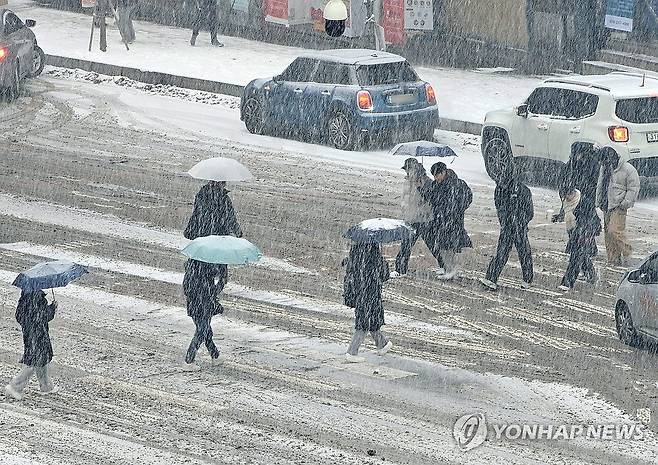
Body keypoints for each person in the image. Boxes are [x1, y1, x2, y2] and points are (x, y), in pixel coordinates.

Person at [479, 167, 534, 291]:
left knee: (524, 253)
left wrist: (520, 222)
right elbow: (499, 207)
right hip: (507, 227)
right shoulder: (499, 189)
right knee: (502, 252)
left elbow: (529, 212)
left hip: (519, 227)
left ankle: (527, 279)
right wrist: (505, 221)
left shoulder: (523, 190)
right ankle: (491, 278)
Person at [418, 162, 473, 280]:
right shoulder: (437, 184)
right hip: (440, 220)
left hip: (453, 220)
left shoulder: (457, 184)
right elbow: (431, 196)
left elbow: (468, 197)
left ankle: (452, 270)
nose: (436, 178)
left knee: (449, 246)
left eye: (437, 175)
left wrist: (458, 209)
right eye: (434, 176)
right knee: (444, 245)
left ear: (444, 172)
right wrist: (420, 189)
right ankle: (450, 269)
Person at [392, 158, 443, 277]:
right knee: (406, 245)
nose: (407, 173)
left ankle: (445, 266)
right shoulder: (407, 182)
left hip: (424, 219)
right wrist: (404, 209)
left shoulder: (426, 181)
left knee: (432, 244)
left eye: (409, 170)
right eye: (406, 170)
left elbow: (432, 199)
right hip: (410, 218)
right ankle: (400, 269)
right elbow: (405, 198)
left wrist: (421, 189)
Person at [343, 243, 393, 362]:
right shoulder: (374, 258)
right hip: (371, 294)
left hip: (359, 295)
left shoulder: (355, 256)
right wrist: (383, 262)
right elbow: (385, 276)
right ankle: (352, 352)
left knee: (372, 321)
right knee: (364, 324)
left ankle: (382, 344)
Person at [5, 290, 59, 400]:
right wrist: (52, 308)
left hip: (32, 333)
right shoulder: (36, 298)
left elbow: (20, 316)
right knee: (33, 361)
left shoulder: (26, 296)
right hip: (37, 334)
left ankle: (46, 386)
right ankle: (15, 387)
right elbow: (43, 316)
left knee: (42, 359)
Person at [596, 147, 640, 266]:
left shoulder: (628, 169)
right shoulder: (604, 168)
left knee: (614, 231)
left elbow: (634, 188)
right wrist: (599, 200)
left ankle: (628, 252)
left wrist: (625, 203)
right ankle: (612, 258)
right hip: (606, 204)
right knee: (608, 235)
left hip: (619, 205)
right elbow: (601, 184)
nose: (603, 164)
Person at [182, 259, 224, 370]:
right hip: (202, 303)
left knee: (205, 330)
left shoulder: (194, 264)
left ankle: (215, 356)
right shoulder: (200, 268)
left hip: (201, 303)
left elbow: (187, 288)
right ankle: (189, 361)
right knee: (203, 331)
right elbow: (189, 288)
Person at [559, 188, 601, 291]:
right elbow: (566, 213)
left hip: (585, 232)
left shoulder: (583, 202)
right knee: (582, 256)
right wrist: (557, 217)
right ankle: (591, 276)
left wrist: (584, 232)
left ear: (573, 193)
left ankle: (567, 283)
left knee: (576, 257)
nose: (565, 199)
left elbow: (591, 220)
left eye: (567, 196)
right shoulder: (567, 202)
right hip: (575, 230)